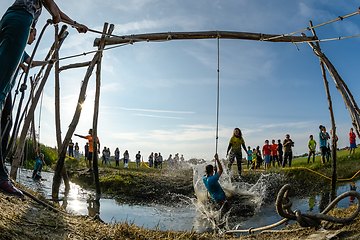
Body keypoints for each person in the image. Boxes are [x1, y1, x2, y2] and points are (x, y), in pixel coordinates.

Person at [0, 0, 87, 197]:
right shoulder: (25, 21)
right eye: (34, 34)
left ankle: (1, 172)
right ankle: (0, 175)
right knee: (1, 95)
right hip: (20, 20)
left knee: (4, 103)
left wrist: (74, 23)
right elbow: (52, 7)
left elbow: (54, 7)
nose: (34, 37)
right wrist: (56, 15)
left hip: (8, 19)